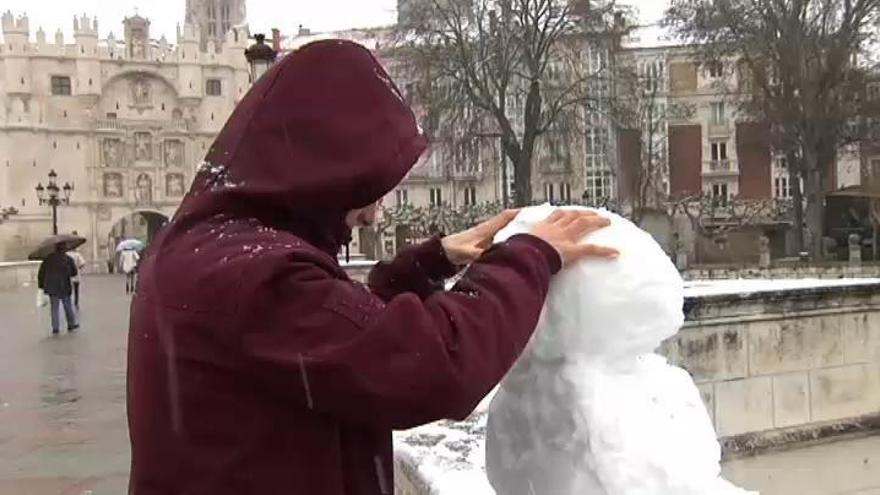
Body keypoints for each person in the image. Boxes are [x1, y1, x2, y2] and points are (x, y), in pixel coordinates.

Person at [126, 40, 617, 495]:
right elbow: (432, 367)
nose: (372, 213)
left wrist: (431, 260)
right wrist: (529, 257)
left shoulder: (206, 247)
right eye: (366, 188)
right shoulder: (252, 277)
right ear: (323, 168)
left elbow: (334, 340)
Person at [37, 244, 80, 334]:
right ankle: (71, 324)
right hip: (64, 285)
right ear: (64, 249)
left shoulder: (48, 259)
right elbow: (74, 273)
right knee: (67, 306)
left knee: (54, 308)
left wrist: (41, 286)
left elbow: (41, 273)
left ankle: (55, 327)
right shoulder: (68, 259)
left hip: (52, 286)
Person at [67, 234, 87, 309]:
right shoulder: (77, 255)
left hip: (67, 275)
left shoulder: (66, 254)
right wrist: (78, 268)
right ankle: (76, 301)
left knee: (68, 290)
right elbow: (82, 263)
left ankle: (68, 301)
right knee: (76, 289)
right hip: (76, 274)